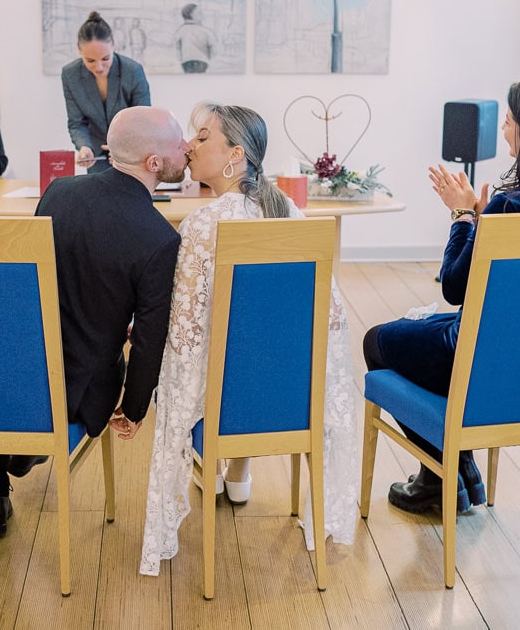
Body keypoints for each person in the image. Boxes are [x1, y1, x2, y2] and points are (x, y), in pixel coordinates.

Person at [364, 77, 520, 514]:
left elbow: (454, 288)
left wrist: (463, 216)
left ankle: (438, 478)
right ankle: (459, 473)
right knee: (420, 328)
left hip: (483, 364)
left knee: (378, 341)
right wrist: (487, 224)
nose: (504, 127)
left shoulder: (513, 208)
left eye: (510, 120)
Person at [139, 103, 359, 577]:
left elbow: (184, 337)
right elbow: (333, 317)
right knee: (250, 350)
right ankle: (237, 471)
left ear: (234, 154)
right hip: (289, 399)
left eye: (201, 137)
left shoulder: (202, 225)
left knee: (201, 360)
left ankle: (221, 465)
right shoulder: (293, 216)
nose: (189, 146)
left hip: (228, 404)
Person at [0, 106, 189, 538]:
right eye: (178, 143)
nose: (186, 148)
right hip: (80, 386)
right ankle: (35, 445)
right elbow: (148, 339)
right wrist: (133, 408)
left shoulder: (59, 191)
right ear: (153, 164)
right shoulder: (160, 237)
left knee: (27, 348)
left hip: (14, 370)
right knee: (99, 355)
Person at [61, 11, 151, 171]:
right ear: (79, 51)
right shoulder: (70, 75)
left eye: (105, 58)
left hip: (130, 157)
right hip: (96, 156)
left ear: (113, 46)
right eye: (90, 61)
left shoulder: (133, 71)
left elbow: (142, 121)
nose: (99, 67)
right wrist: (83, 147)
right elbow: (76, 123)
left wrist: (123, 149)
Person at [174, 3, 219, 73]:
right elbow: (214, 49)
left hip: (186, 62)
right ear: (192, 14)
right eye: (199, 13)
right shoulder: (206, 31)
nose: (202, 15)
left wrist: (181, 58)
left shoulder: (180, 31)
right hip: (202, 61)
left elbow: (177, 48)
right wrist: (207, 57)